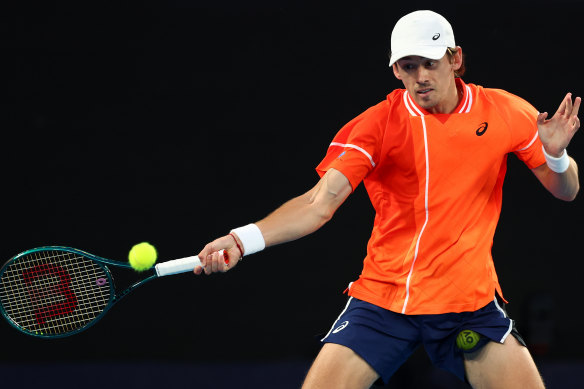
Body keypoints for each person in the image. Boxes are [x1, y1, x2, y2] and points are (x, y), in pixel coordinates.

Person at [194, 10, 580, 389]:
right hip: (384, 302)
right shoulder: (377, 125)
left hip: (468, 303)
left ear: (455, 58)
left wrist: (556, 156)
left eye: (429, 63)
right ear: (396, 70)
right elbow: (317, 205)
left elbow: (566, 190)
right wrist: (241, 240)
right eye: (408, 67)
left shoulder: (505, 111)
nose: (421, 77)